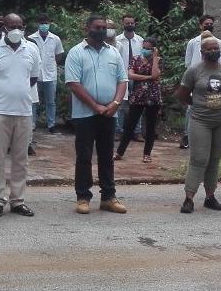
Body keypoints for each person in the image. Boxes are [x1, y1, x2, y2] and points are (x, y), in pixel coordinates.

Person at [0, 13, 41, 218]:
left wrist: (17, 93)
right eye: (11, 26)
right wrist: (0, 95)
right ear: (3, 28)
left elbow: (32, 78)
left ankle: (17, 200)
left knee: (21, 159)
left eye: (19, 26)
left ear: (24, 27)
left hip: (23, 111)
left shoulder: (32, 49)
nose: (16, 30)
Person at [65, 14, 129, 215]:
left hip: (110, 113)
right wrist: (95, 106)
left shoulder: (114, 53)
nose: (102, 30)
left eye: (105, 27)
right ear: (87, 29)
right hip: (85, 114)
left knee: (106, 156)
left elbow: (122, 80)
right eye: (97, 27)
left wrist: (116, 103)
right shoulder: (76, 52)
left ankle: (108, 197)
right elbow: (74, 84)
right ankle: (83, 197)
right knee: (84, 156)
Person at [176, 32, 221, 214]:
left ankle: (210, 197)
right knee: (199, 159)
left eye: (216, 48)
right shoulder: (194, 70)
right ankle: (189, 198)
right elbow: (181, 94)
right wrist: (197, 105)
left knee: (214, 159)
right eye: (209, 48)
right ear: (202, 52)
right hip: (200, 120)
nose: (213, 51)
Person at [181, 15, 221, 148]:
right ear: (200, 25)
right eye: (206, 24)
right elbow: (188, 63)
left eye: (210, 23)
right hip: (196, 78)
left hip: (214, 79)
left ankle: (210, 135)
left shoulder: (220, 43)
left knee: (213, 103)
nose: (208, 25)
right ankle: (187, 135)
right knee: (191, 107)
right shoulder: (192, 43)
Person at [114, 37, 162, 163]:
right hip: (138, 96)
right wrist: (148, 77)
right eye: (144, 47)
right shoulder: (135, 59)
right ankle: (120, 152)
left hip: (153, 97)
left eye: (149, 48)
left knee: (151, 126)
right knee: (130, 125)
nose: (145, 50)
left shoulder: (158, 60)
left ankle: (147, 154)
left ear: (154, 49)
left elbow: (156, 75)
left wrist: (155, 58)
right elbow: (130, 75)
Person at [28, 13, 65, 133]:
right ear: (38, 24)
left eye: (46, 23)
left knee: (51, 102)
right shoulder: (31, 38)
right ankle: (32, 123)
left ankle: (51, 124)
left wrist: (52, 63)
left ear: (49, 24)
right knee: (33, 101)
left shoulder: (55, 39)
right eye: (42, 23)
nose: (44, 25)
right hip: (35, 75)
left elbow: (59, 54)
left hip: (50, 74)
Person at [115, 14, 144, 141]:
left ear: (135, 24)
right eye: (127, 23)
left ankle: (137, 131)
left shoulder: (141, 41)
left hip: (137, 77)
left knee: (138, 104)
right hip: (121, 77)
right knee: (120, 103)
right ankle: (118, 131)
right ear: (123, 23)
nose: (130, 25)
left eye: (132, 23)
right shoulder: (117, 41)